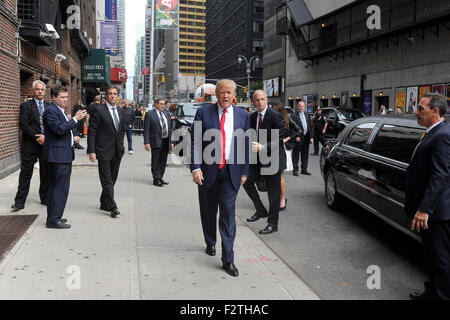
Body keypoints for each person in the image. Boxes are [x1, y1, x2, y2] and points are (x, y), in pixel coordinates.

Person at [191, 79, 250, 277]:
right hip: (207, 171)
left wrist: (244, 172)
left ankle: (228, 259)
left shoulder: (243, 115)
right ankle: (210, 241)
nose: (225, 96)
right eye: (222, 92)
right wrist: (196, 167)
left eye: (229, 93)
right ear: (216, 94)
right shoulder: (203, 113)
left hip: (231, 173)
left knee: (227, 214)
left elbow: (245, 144)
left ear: (235, 95)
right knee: (208, 211)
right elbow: (195, 142)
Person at [406, 93, 450, 300]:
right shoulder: (432, 133)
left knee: (441, 261)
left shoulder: (443, 135)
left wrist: (424, 210)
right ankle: (431, 293)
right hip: (430, 210)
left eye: (421, 109)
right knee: (432, 258)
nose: (416, 111)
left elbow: (440, 175)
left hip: (436, 213)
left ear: (436, 112)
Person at [42, 86, 87, 229]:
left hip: (63, 155)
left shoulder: (59, 110)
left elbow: (63, 130)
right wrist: (75, 119)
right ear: (54, 97)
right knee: (58, 188)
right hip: (57, 157)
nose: (65, 99)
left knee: (61, 188)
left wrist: (73, 137)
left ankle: (56, 216)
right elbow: (59, 129)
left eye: (66, 97)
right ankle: (53, 219)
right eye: (62, 97)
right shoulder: (50, 111)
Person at [244, 91, 286, 235]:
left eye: (262, 99)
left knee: (273, 194)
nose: (260, 102)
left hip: (272, 158)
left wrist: (263, 147)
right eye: (257, 100)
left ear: (267, 100)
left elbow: (278, 140)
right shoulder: (252, 117)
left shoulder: (276, 116)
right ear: (253, 102)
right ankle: (261, 210)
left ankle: (272, 224)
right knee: (247, 182)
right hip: (256, 159)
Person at [87, 87, 125, 218]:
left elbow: (121, 131)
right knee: (106, 179)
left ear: (117, 96)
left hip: (117, 151)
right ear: (106, 96)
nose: (113, 96)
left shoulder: (121, 111)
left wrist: (122, 145)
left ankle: (104, 202)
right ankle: (112, 206)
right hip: (103, 150)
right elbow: (92, 131)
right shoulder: (99, 110)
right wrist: (91, 150)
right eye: (110, 94)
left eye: (115, 94)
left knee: (112, 178)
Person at [11, 80, 49, 212]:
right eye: (37, 89)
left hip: (46, 144)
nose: (40, 92)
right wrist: (37, 137)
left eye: (42, 90)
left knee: (46, 173)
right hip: (30, 144)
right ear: (33, 91)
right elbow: (24, 124)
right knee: (26, 174)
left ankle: (45, 198)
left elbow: (52, 124)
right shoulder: (26, 106)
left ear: (45, 92)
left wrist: (46, 138)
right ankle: (19, 202)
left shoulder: (49, 106)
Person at [271, 102, 302, 210]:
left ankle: (282, 199)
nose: (272, 110)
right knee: (273, 175)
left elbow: (299, 131)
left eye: (274, 108)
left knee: (280, 175)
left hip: (283, 148)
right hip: (272, 148)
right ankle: (278, 198)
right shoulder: (272, 118)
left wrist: (288, 138)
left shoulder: (287, 119)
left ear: (279, 109)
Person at [144, 99, 174, 187]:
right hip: (156, 140)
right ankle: (156, 179)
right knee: (156, 160)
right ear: (156, 104)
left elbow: (170, 128)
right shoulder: (150, 114)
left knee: (163, 160)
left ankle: (160, 177)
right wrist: (146, 142)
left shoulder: (166, 113)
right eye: (161, 104)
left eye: (164, 104)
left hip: (166, 140)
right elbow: (146, 129)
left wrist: (171, 141)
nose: (163, 106)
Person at [290, 100, 313, 176]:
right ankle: (295, 170)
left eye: (302, 106)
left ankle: (304, 169)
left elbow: (309, 126)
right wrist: (295, 136)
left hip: (306, 137)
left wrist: (311, 137)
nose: (301, 108)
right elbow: (292, 128)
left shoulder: (307, 114)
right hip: (298, 138)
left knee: (305, 154)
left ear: (304, 107)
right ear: (297, 106)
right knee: (296, 154)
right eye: (300, 106)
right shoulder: (293, 115)